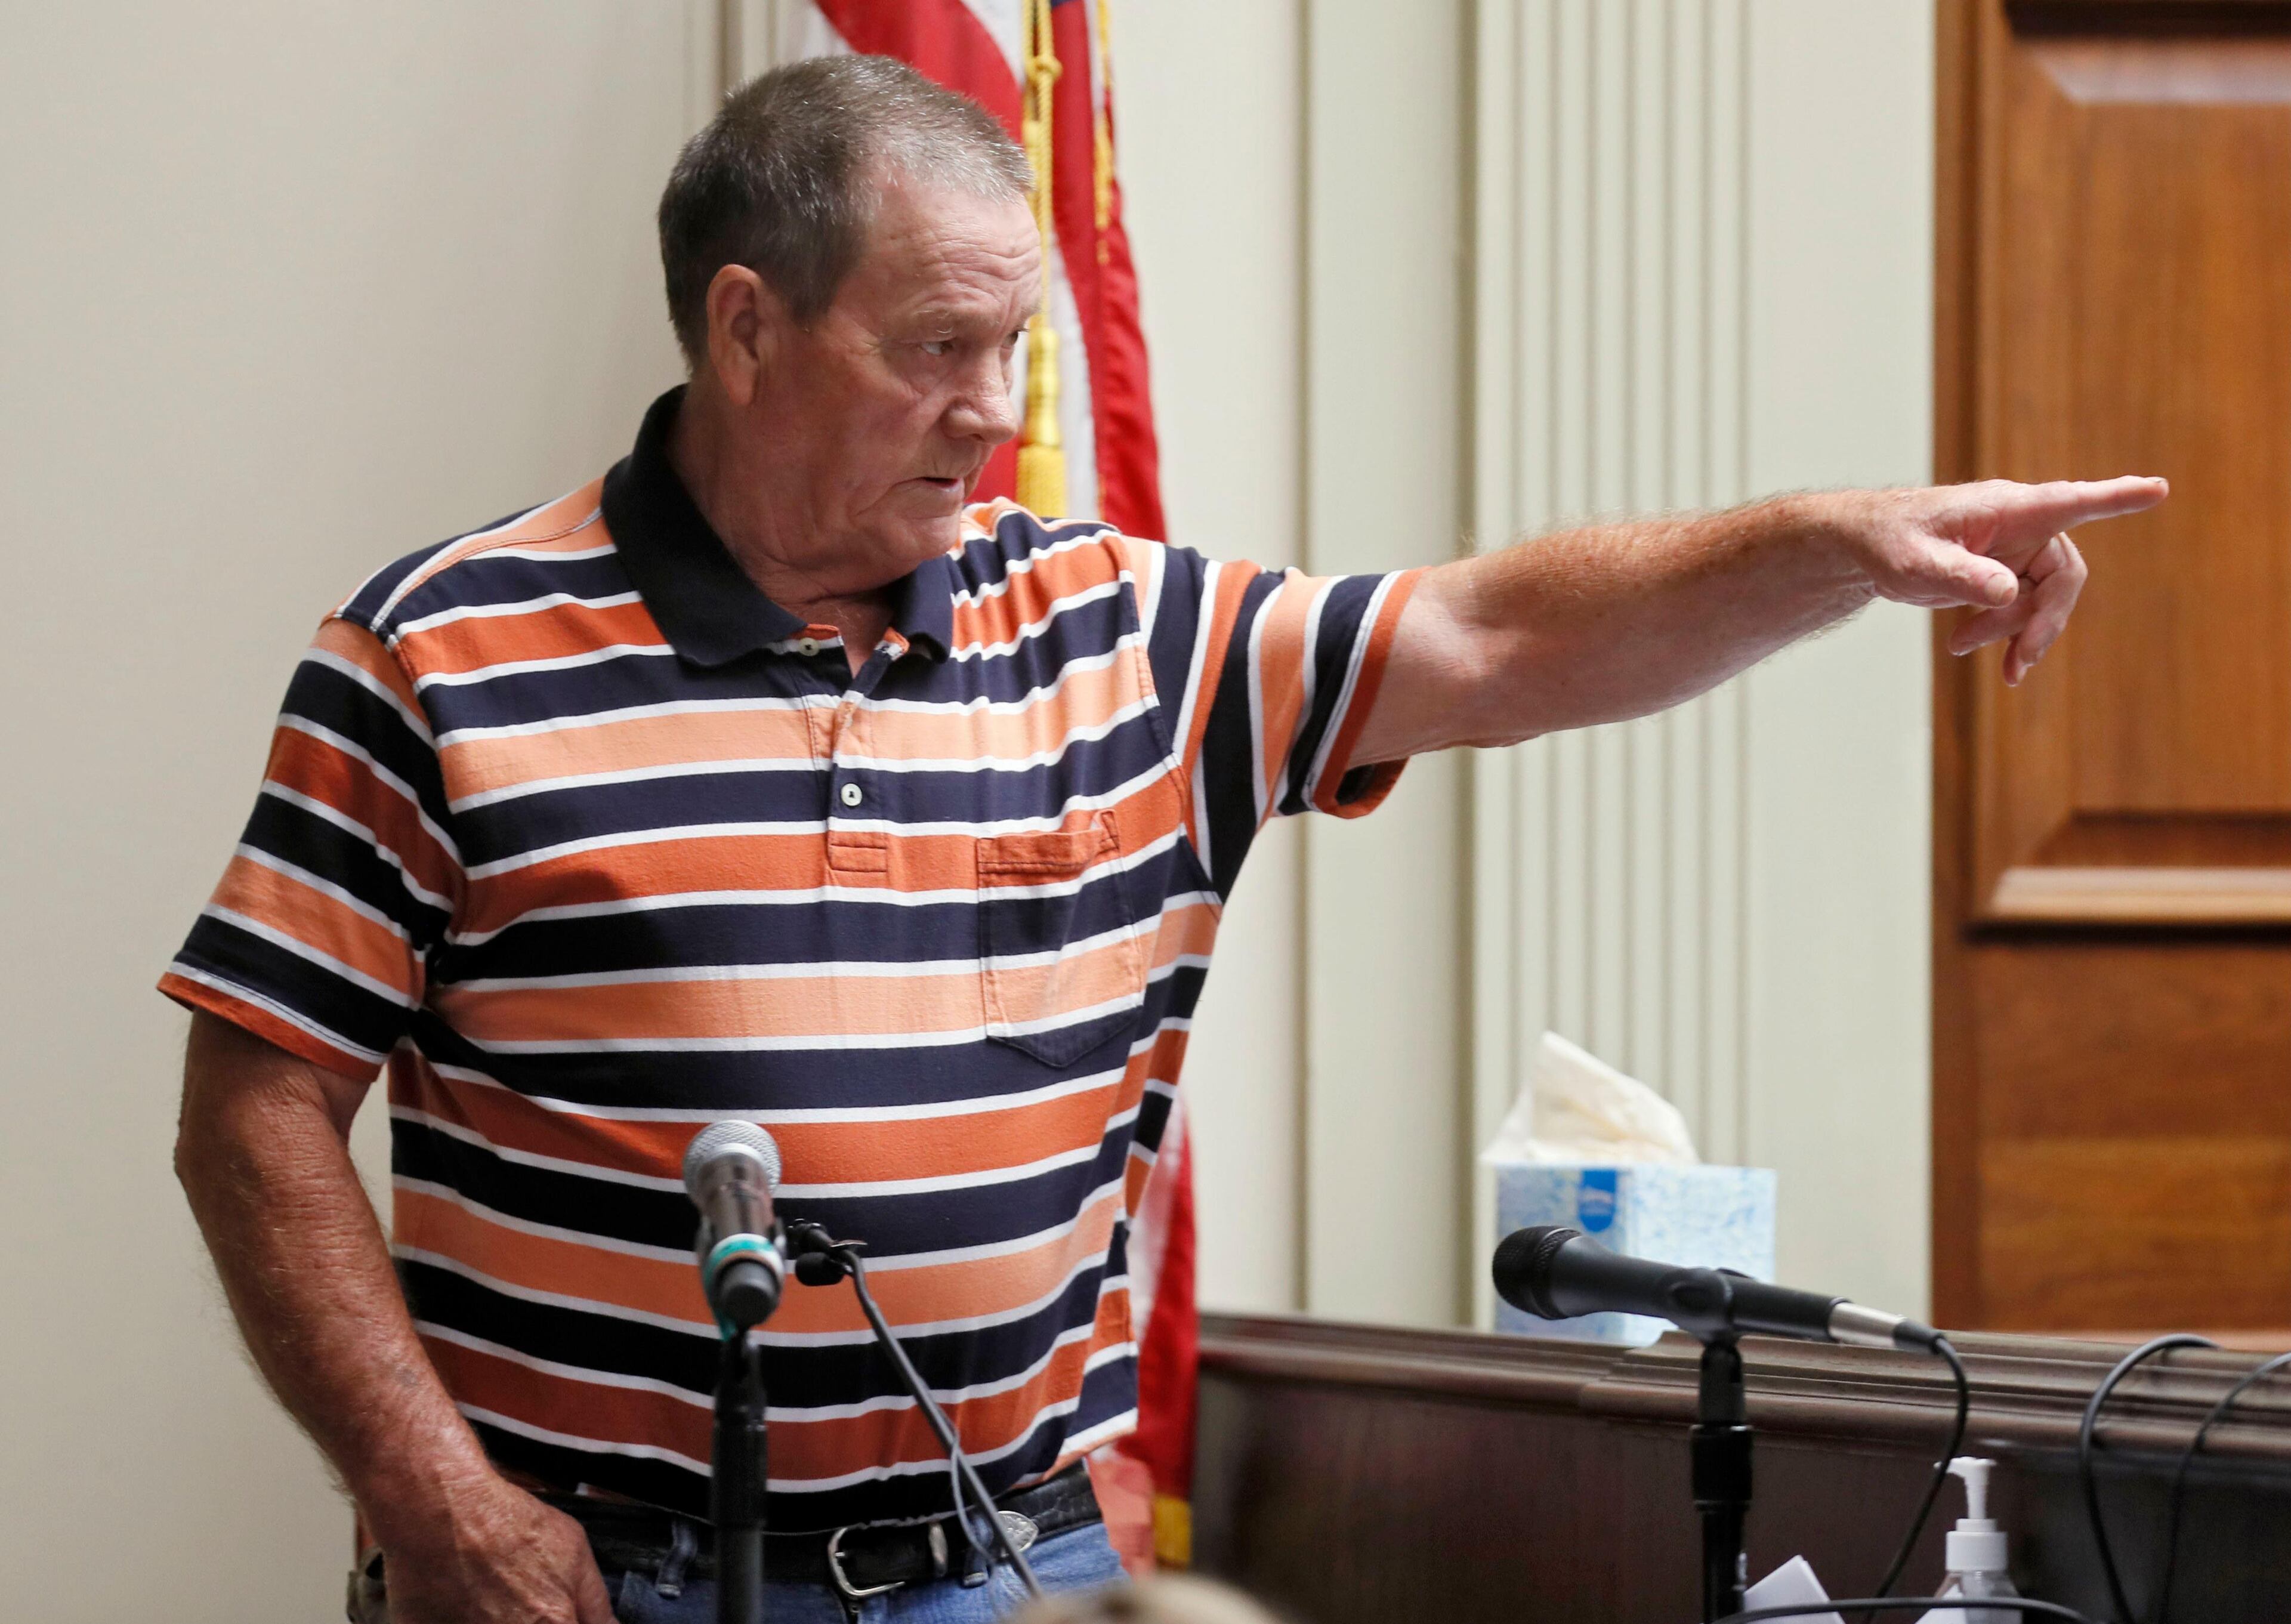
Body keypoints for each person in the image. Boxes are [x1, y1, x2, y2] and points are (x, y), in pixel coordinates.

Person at [165, 51, 2164, 1624]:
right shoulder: (442, 651)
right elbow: (254, 1109)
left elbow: (1499, 633)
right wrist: (436, 1500)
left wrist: (1837, 546)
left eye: (1016, 344)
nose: (994, 411)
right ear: (747, 328)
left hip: (1011, 1568)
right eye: (936, 348)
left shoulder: (1124, 631)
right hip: (602, 1582)